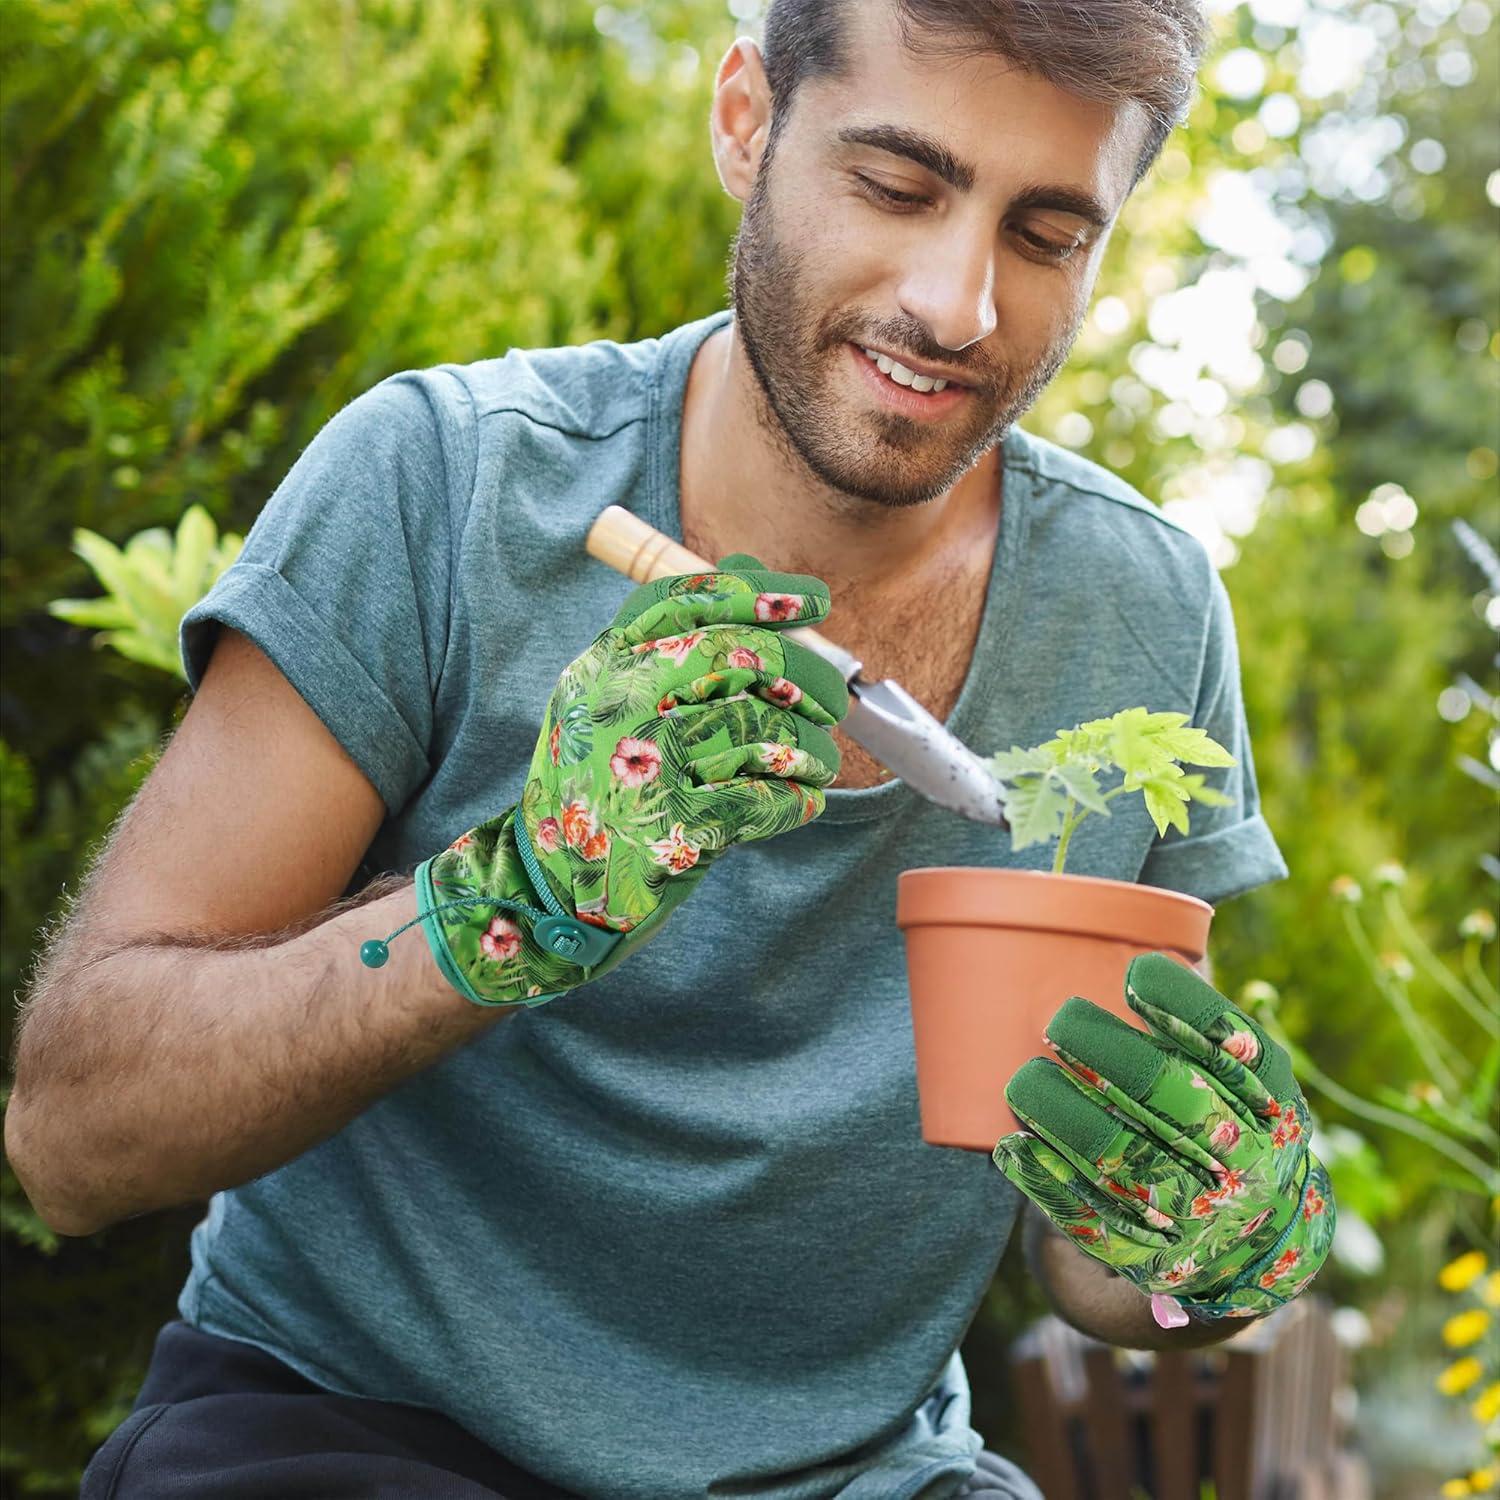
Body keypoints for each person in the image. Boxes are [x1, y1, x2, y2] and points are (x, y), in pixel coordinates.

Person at [5, 2, 1334, 1496]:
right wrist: (509, 904)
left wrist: (1199, 1255)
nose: (958, 303)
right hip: (355, 1428)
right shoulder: (446, 485)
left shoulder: (1144, 613)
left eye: (1046, 234)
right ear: (746, 121)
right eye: (898, 186)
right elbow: (73, 1137)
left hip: (864, 1473)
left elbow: (1091, 1254)